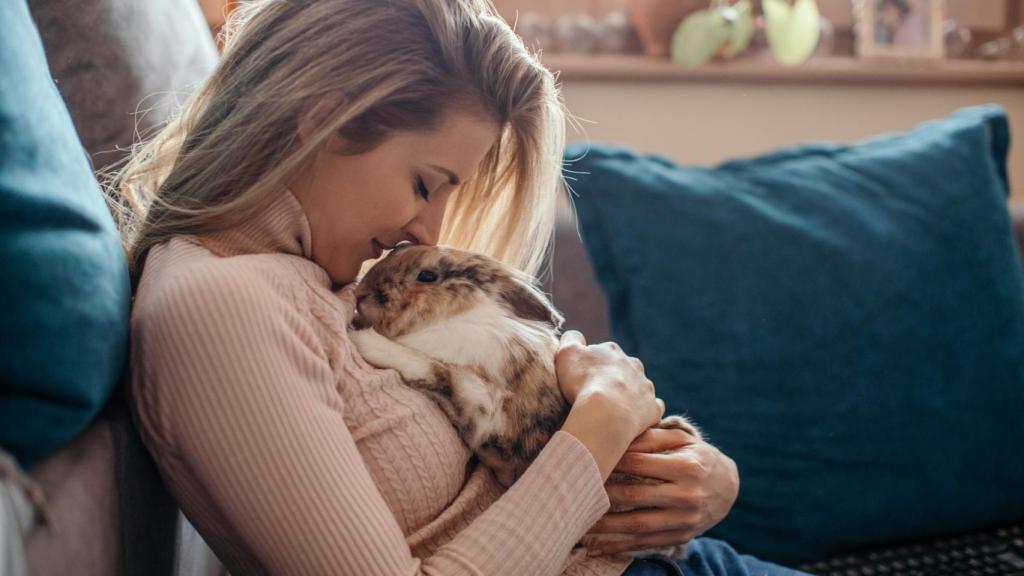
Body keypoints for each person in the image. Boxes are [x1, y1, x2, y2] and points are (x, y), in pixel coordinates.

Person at [108, 0, 811, 574]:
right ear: (322, 117)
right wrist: (597, 431)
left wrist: (705, 479)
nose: (430, 230)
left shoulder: (329, 277)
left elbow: (520, 395)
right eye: (424, 184)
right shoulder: (219, 307)